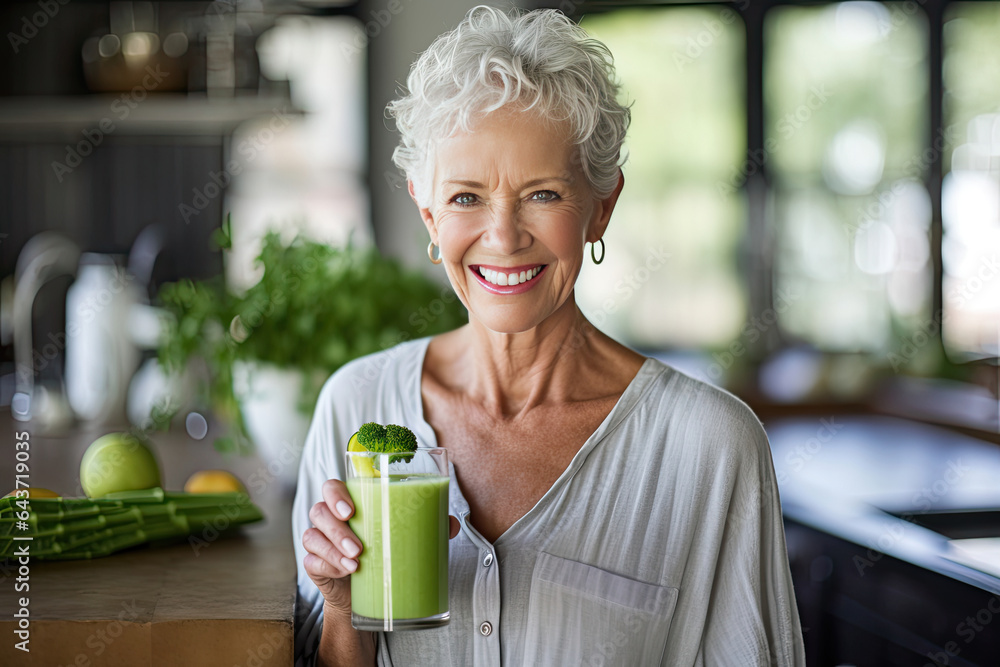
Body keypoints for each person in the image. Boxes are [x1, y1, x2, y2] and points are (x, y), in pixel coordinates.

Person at [292, 5, 806, 666]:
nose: (503, 238)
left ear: (601, 207)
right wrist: (342, 604)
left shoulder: (710, 447)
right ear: (428, 214)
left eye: (542, 194)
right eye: (466, 197)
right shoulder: (355, 407)